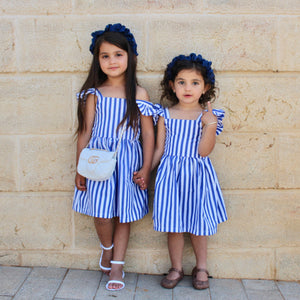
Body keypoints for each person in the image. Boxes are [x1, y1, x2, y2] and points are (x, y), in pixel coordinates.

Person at [73, 23, 155, 291]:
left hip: (128, 160)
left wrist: (145, 167)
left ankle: (117, 264)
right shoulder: (94, 94)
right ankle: (106, 247)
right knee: (102, 214)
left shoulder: (139, 94)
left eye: (118, 54)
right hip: (98, 160)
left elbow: (148, 135)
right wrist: (79, 168)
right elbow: (85, 131)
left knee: (123, 215)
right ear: (97, 60)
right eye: (105, 55)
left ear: (131, 57)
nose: (112, 61)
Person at [151, 53, 227, 290]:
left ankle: (201, 266)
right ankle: (176, 267)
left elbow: (204, 151)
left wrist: (210, 123)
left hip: (197, 176)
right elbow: (159, 148)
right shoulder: (165, 115)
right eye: (181, 82)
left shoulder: (208, 118)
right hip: (171, 176)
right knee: (173, 225)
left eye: (195, 83)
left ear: (205, 88)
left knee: (198, 224)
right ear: (172, 85)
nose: (187, 88)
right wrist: (146, 171)